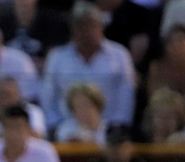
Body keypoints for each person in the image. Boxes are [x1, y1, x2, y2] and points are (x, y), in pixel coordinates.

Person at [40, 1, 136, 129]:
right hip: (66, 132)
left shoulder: (120, 55)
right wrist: (56, 126)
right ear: (73, 29)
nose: (86, 31)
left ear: (101, 26)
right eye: (81, 25)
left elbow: (126, 96)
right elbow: (48, 97)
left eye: (91, 24)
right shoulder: (57, 57)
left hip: (108, 131)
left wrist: (117, 127)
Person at [0, 0, 70, 70]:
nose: (24, 3)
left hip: (40, 78)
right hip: (8, 76)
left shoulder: (52, 23)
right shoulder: (1, 20)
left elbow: (54, 60)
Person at [147, 25, 185, 109]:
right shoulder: (157, 69)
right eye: (171, 41)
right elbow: (153, 101)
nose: (176, 45)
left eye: (180, 40)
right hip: (162, 116)